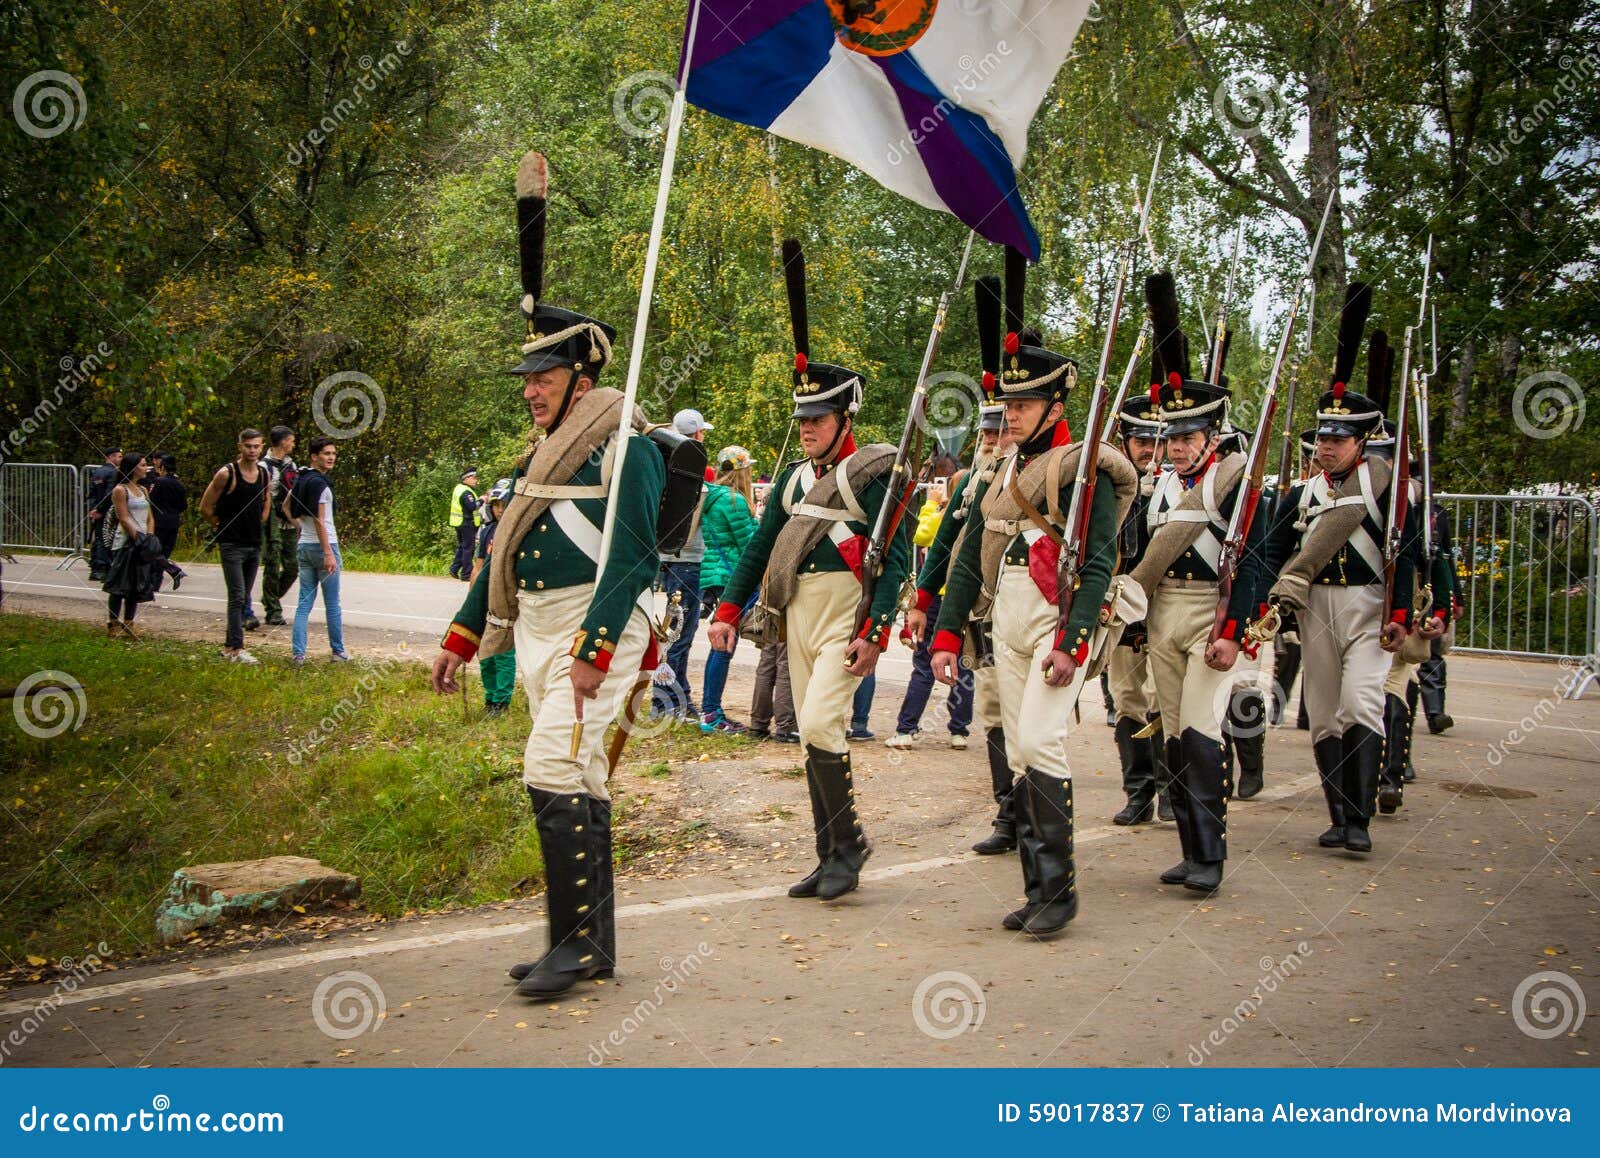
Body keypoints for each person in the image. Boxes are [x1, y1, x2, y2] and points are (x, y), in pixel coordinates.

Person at [431, 148, 666, 999]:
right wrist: (464, 633)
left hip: (594, 626)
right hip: (534, 626)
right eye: (528, 378)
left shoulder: (625, 439)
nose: (531, 391)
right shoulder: (544, 452)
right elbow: (503, 549)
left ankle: (571, 946)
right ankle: (589, 943)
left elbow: (634, 552)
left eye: (547, 376)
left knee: (552, 768)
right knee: (584, 772)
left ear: (585, 376)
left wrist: (599, 645)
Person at [930, 250, 1132, 937]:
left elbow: (1100, 565)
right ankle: (1038, 888)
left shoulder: (1085, 469)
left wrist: (1074, 643)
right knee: (1018, 750)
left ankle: (1058, 893)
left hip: (1052, 619)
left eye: (1022, 404)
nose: (1009, 415)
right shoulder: (1002, 472)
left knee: (1043, 744)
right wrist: (949, 631)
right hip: (1005, 617)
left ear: (1053, 403)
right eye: (1005, 404)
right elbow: (968, 559)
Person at [707, 238, 913, 903]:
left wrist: (877, 629)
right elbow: (760, 546)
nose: (806, 430)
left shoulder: (877, 471)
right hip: (796, 612)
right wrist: (728, 611)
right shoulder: (796, 477)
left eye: (817, 419)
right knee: (806, 739)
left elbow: (899, 556)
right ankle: (830, 854)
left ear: (844, 417)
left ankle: (849, 846)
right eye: (802, 420)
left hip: (846, 613)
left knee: (822, 723)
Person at [1262, 283, 1430, 856]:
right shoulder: (1305, 492)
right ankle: (1339, 815)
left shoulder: (1383, 490)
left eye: (1340, 439)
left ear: (1363, 441)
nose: (1327, 448)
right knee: (1325, 713)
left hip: (1369, 605)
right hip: (1316, 610)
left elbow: (1405, 552)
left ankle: (1359, 820)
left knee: (1362, 701)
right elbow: (1270, 548)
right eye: (1323, 438)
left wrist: (1402, 613)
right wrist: (1264, 602)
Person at [1120, 273, 1269, 896]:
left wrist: (1234, 632)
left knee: (1204, 734)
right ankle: (1187, 847)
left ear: (1211, 437)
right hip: (1161, 616)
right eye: (1169, 437)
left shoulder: (1234, 484)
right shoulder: (1156, 488)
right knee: (1175, 732)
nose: (1175, 447)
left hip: (1210, 612)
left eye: (1186, 437)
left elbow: (1254, 561)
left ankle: (1209, 856)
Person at [1105, 386, 1169, 826]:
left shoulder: (1180, 487)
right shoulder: (1111, 485)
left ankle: (1172, 790)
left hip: (1167, 609)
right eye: (1142, 440)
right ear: (1125, 441)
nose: (1150, 449)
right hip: (1124, 612)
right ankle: (1138, 792)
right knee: (1127, 699)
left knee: (1166, 702)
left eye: (1158, 440)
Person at [886, 470, 976, 751]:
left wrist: (929, 505)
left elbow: (922, 536)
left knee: (924, 666)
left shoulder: (943, 518)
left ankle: (907, 728)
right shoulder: (975, 520)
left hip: (937, 599)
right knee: (964, 666)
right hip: (966, 602)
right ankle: (959, 730)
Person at [652, 408, 715, 719]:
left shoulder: (665, 464)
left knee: (675, 631)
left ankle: (677, 696)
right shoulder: (693, 471)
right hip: (688, 560)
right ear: (698, 435)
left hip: (669, 559)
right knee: (678, 635)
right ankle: (666, 700)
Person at [698, 446, 758, 733]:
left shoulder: (712, 498)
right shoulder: (734, 501)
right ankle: (711, 712)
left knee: (720, 645)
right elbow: (751, 545)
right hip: (733, 577)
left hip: (715, 575)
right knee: (723, 647)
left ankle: (711, 709)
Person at [199, 428, 271, 664]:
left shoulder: (263, 474)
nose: (252, 450)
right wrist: (218, 525)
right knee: (237, 595)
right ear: (239, 446)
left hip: (253, 542)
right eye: (248, 446)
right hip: (231, 543)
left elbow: (266, 499)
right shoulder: (226, 473)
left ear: (262, 447)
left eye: (256, 446)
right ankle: (235, 648)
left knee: (244, 595)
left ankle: (232, 646)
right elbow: (205, 507)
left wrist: (260, 518)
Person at [287, 437, 348, 664]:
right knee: (332, 603)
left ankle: (298, 654)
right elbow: (320, 520)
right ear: (314, 456)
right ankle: (338, 651)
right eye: (326, 453)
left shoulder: (301, 479)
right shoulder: (320, 484)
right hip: (325, 546)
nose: (331, 457)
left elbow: (286, 507)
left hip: (304, 546)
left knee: (304, 602)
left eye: (333, 453)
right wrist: (328, 553)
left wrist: (302, 530)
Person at [101, 452, 158, 637]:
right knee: (119, 585)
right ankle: (113, 622)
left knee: (136, 584)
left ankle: (129, 622)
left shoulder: (143, 490)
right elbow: (123, 518)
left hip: (142, 541)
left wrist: (148, 537)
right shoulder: (120, 490)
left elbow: (150, 516)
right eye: (142, 465)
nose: (146, 468)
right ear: (133, 468)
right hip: (126, 542)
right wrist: (137, 538)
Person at [472, 478, 516, 712]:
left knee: (504, 650)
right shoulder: (487, 530)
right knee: (486, 649)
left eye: (504, 504)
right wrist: (473, 598)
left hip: (506, 599)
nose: (500, 509)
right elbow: (479, 565)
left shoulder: (517, 529)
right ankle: (490, 696)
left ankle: (501, 699)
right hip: (487, 597)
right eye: (497, 504)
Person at [260, 425, 299, 626]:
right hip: (271, 521)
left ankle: (270, 597)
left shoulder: (291, 465)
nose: (293, 444)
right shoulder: (263, 466)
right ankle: (273, 610)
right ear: (283, 441)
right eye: (291, 440)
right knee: (272, 565)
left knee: (293, 567)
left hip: (289, 522)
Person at [147, 453, 189, 590]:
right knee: (164, 552)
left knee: (153, 551)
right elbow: (184, 506)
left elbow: (151, 500)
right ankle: (155, 583)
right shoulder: (180, 485)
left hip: (158, 521)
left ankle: (172, 571)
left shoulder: (159, 482)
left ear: (163, 467)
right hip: (173, 521)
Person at [85, 448, 121, 581]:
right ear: (111, 457)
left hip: (98, 510)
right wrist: (100, 510)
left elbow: (91, 494)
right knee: (105, 539)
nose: (121, 459)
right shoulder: (113, 473)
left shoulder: (97, 472)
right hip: (106, 511)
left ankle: (95, 566)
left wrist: (93, 509)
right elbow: (109, 494)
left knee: (99, 537)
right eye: (119, 456)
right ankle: (101, 568)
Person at [448, 469, 481, 580]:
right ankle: (466, 574)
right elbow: (472, 507)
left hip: (460, 523)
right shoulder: (466, 492)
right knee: (468, 549)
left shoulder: (459, 488)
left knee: (462, 547)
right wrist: (482, 500)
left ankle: (454, 569)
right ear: (466, 478)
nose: (476, 480)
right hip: (467, 523)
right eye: (474, 478)